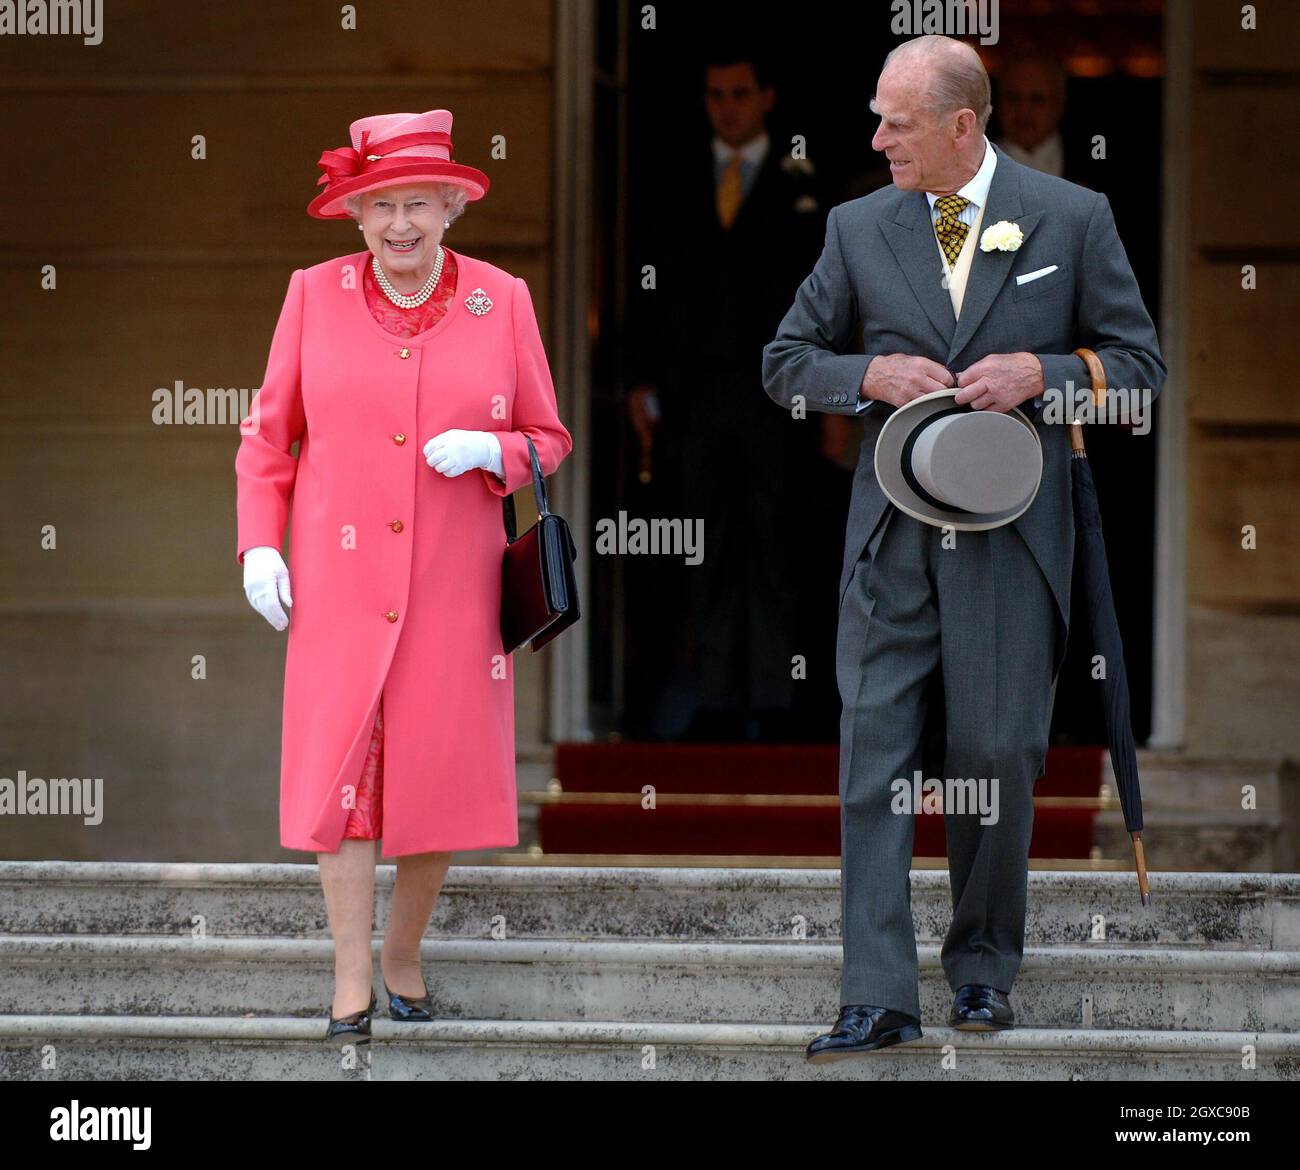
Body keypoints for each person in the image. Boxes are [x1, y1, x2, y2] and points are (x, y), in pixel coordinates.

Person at [763, 36, 1165, 1059]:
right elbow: (784, 364)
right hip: (890, 529)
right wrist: (864, 375)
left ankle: (982, 968)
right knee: (872, 756)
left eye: (896, 121)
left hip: (1010, 532)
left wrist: (1044, 370)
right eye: (876, 117)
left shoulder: (1073, 216)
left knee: (993, 753)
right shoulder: (856, 226)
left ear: (961, 125)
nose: (876, 137)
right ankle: (876, 993)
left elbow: (1140, 370)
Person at [234, 108, 573, 1042]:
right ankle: (348, 975)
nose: (400, 225)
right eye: (381, 205)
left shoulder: (501, 299)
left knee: (437, 772)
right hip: (340, 586)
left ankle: (402, 957)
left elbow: (549, 438)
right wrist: (260, 542)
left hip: (453, 581)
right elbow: (268, 437)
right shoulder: (313, 293)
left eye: (418, 204)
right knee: (344, 773)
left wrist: (493, 450)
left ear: (453, 205)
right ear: (355, 212)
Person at [624, 49, 825, 742]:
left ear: (767, 96)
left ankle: (774, 701)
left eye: (740, 93)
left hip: (781, 395)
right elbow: (645, 280)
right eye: (715, 94)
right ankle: (713, 695)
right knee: (703, 545)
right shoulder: (676, 177)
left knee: (776, 544)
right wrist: (641, 378)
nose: (728, 106)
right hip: (698, 394)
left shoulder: (808, 180)